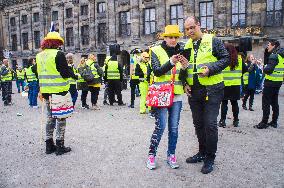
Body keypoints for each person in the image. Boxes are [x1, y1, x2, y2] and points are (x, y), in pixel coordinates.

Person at [179, 16, 229, 174]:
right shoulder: (187, 44)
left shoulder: (212, 40)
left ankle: (210, 157)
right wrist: (184, 83)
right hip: (194, 91)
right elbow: (184, 67)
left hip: (212, 89)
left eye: (192, 27)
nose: (190, 31)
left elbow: (226, 58)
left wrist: (211, 69)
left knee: (210, 125)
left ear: (199, 25)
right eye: (187, 29)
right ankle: (201, 152)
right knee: (198, 124)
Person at [146, 25, 184, 170]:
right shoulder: (155, 50)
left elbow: (183, 74)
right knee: (160, 126)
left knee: (174, 128)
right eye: (170, 37)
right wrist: (171, 62)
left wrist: (186, 69)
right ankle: (151, 155)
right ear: (165, 38)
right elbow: (156, 71)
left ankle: (171, 154)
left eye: (175, 37)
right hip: (161, 94)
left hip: (177, 94)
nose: (173, 40)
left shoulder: (182, 51)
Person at [35, 31, 78, 155]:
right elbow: (64, 73)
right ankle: (60, 145)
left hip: (46, 92)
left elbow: (38, 73)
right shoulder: (58, 54)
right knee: (61, 118)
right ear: (56, 43)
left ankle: (49, 145)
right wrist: (72, 73)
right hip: (59, 92)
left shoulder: (39, 55)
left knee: (50, 118)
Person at [254, 39, 283, 129]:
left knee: (266, 103)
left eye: (269, 45)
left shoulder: (273, 56)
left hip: (270, 83)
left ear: (274, 46)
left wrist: (262, 66)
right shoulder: (281, 56)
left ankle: (264, 122)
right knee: (274, 102)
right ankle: (274, 122)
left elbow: (268, 70)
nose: (267, 46)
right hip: (278, 82)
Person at [218, 44, 248, 128]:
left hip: (224, 85)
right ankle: (236, 121)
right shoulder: (239, 59)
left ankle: (222, 121)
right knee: (234, 103)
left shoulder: (223, 59)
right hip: (236, 85)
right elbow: (245, 70)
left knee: (224, 103)